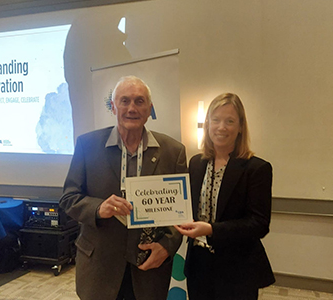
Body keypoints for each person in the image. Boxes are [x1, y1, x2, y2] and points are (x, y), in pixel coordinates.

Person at [59, 76, 187, 300]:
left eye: (140, 101)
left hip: (149, 268)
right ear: (113, 107)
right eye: (124, 101)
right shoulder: (87, 145)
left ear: (150, 109)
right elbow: (69, 199)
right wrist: (98, 208)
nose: (131, 108)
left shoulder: (172, 152)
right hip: (99, 266)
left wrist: (167, 246)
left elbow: (182, 213)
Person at [175, 93, 275, 300]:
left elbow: (259, 224)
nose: (221, 127)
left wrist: (211, 230)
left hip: (238, 268)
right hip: (198, 264)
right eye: (216, 120)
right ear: (207, 124)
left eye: (230, 121)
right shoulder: (196, 163)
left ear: (240, 127)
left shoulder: (256, 168)